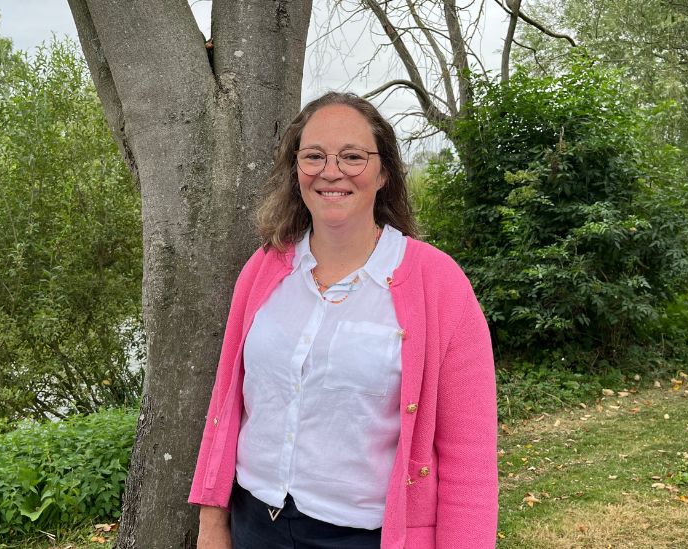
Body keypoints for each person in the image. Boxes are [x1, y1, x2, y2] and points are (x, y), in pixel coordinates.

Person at [189, 91, 498, 549]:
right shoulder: (264, 269)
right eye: (314, 156)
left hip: (365, 538)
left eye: (352, 156)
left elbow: (468, 459)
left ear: (384, 172)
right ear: (296, 171)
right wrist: (213, 524)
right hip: (252, 524)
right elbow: (227, 402)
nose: (331, 172)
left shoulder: (439, 285)